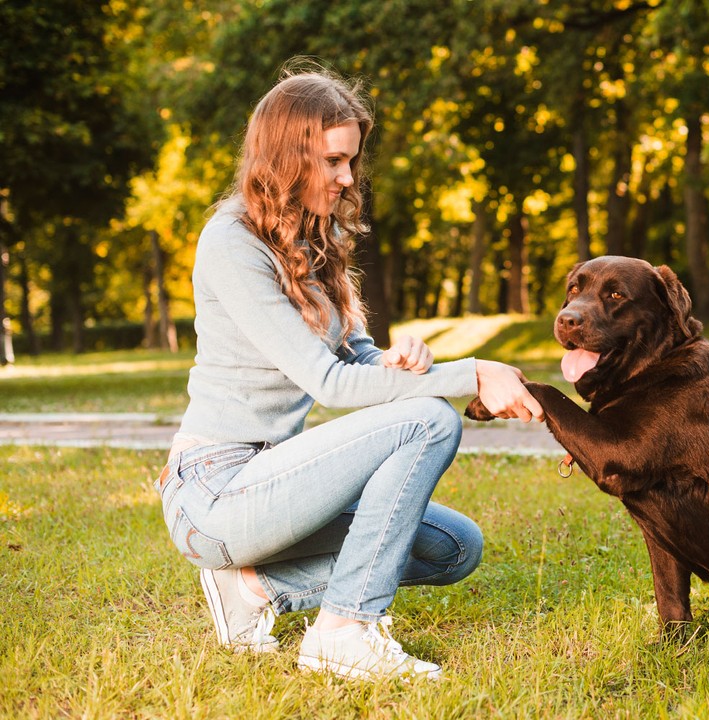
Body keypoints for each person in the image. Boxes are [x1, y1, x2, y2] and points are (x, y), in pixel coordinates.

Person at [155, 63, 543, 682]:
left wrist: (400, 362)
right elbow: (330, 386)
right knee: (428, 422)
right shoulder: (231, 241)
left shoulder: (317, 235)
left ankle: (254, 588)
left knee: (452, 548)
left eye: (351, 162)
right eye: (335, 161)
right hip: (216, 491)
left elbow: (355, 362)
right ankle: (343, 633)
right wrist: (468, 375)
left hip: (283, 480)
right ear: (288, 156)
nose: (347, 177)